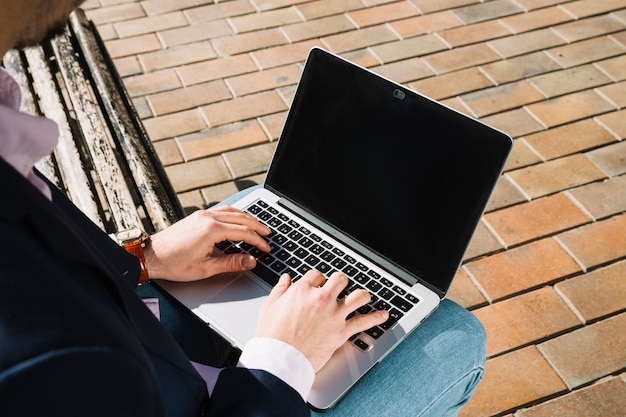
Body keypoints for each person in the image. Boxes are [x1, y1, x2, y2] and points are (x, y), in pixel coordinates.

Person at [0, 1, 486, 416]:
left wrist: (143, 257)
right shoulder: (41, 356)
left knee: (237, 215)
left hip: (140, 345)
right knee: (455, 336)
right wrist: (283, 358)